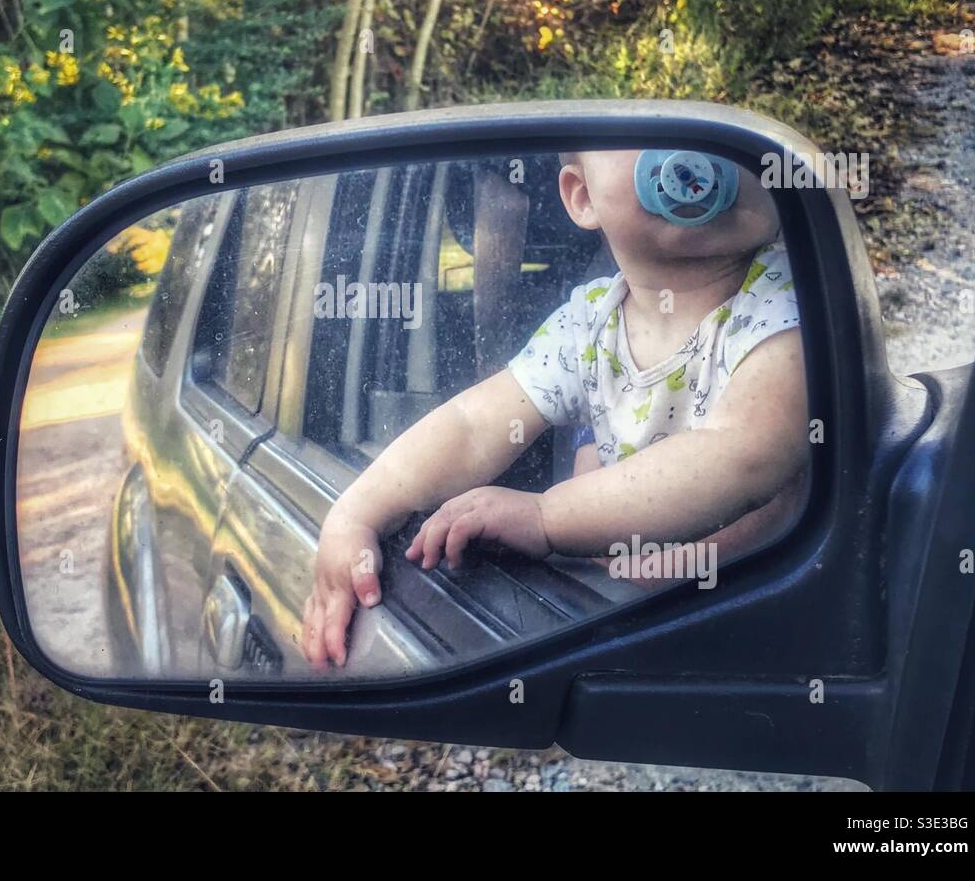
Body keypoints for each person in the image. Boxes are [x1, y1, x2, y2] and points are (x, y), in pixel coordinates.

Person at [301, 149, 807, 670]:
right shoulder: (589, 321)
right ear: (582, 198)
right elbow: (473, 425)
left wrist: (548, 517)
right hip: (640, 634)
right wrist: (354, 514)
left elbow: (746, 454)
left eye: (713, 139)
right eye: (646, 136)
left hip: (755, 627)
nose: (689, 158)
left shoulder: (785, 297)